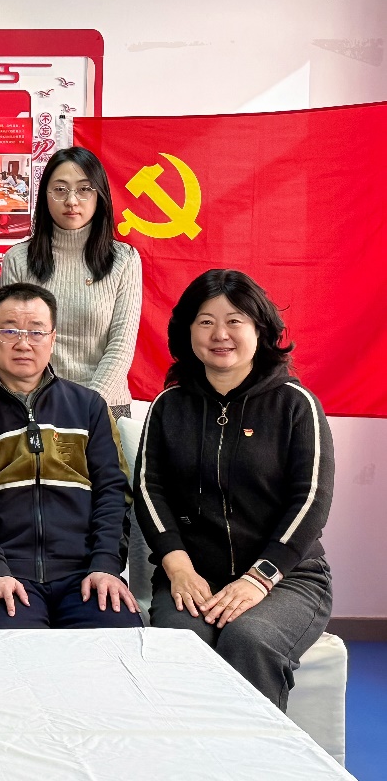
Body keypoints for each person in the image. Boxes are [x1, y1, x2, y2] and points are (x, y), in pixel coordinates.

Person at [135, 270, 334, 710]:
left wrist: (258, 579)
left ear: (259, 329)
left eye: (234, 321)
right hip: (193, 575)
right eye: (205, 322)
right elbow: (149, 489)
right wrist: (178, 567)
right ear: (187, 331)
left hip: (287, 578)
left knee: (249, 638)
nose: (219, 334)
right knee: (180, 642)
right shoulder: (169, 405)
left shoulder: (295, 404)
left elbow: (311, 500)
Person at [0, 284, 139, 629]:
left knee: (119, 643)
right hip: (7, 578)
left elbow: (113, 492)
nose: (23, 343)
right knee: (9, 648)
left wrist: (106, 565)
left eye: (36, 332)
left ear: (53, 339)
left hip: (86, 575)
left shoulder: (88, 407)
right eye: (9, 331)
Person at [0, 147, 141, 419]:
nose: (72, 201)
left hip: (105, 408)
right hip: (36, 407)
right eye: (60, 190)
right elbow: (13, 341)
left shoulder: (124, 259)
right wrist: (43, 402)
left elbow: (121, 345)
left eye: (84, 189)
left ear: (100, 195)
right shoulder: (18, 259)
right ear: (45, 196)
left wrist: (86, 406)